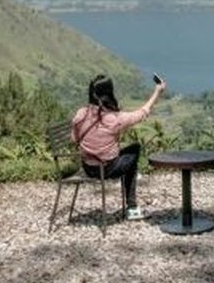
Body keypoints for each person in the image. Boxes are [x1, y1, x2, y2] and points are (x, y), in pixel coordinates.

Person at [70, 73, 166, 220]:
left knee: (125, 156)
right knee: (134, 151)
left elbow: (74, 139)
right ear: (109, 93)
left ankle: (131, 203)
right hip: (108, 169)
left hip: (88, 168)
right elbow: (142, 113)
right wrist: (157, 92)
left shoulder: (80, 114)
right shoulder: (115, 119)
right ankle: (132, 206)